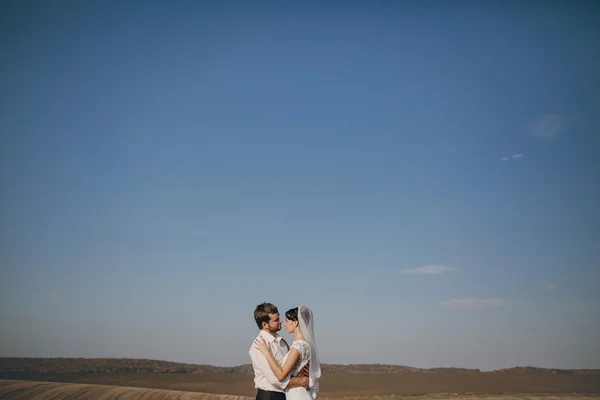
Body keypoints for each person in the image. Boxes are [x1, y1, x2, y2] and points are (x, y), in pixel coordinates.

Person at [254, 304, 321, 400]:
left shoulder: (297, 347)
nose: (284, 323)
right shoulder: (302, 345)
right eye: (277, 320)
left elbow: (280, 376)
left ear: (295, 323)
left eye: (286, 320)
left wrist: (267, 353)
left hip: (296, 394)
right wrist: (301, 380)